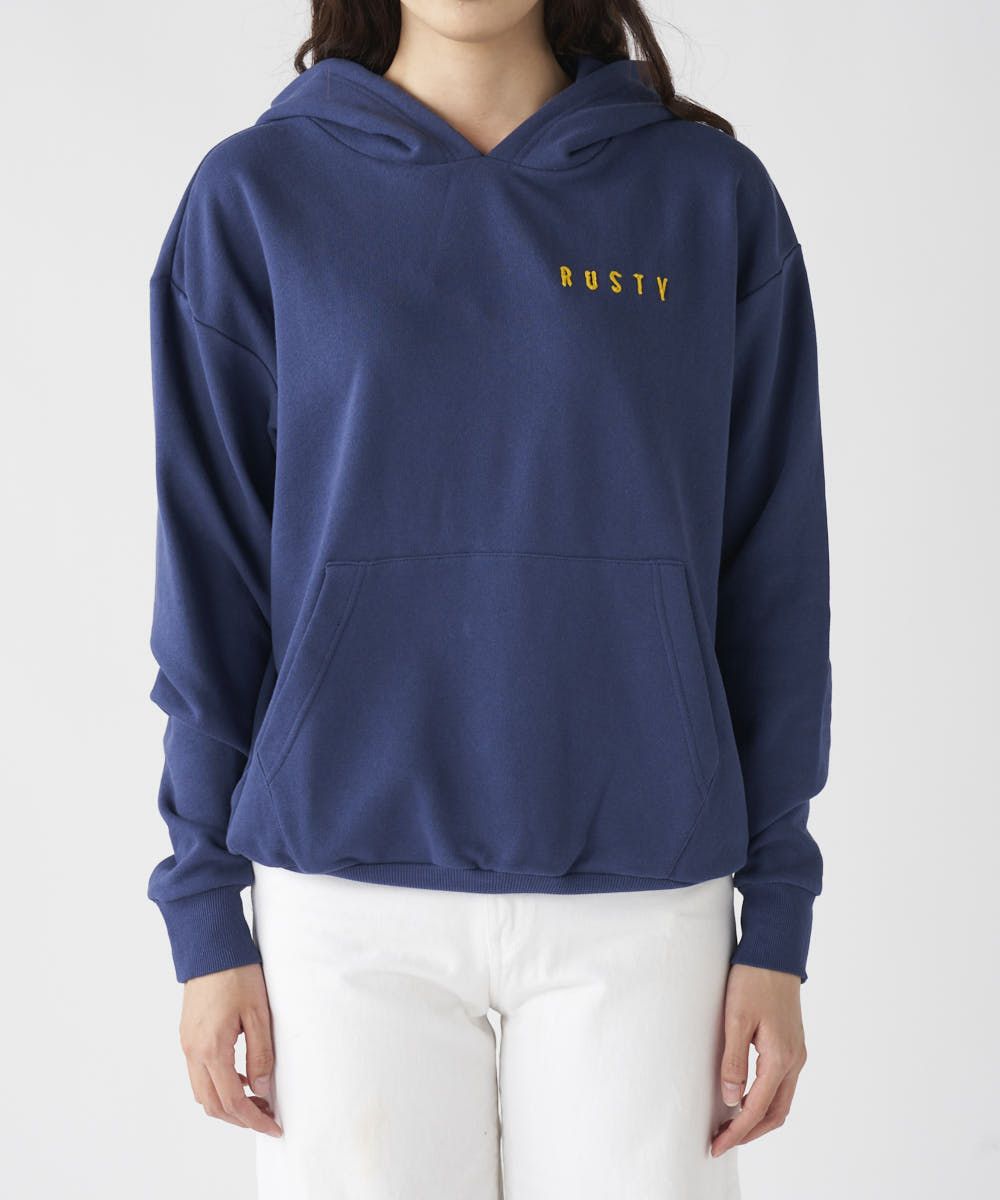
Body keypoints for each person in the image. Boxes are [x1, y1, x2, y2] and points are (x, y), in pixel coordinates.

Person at [145, 1, 832, 1195]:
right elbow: (209, 583)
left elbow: (773, 583)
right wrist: (204, 912)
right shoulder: (255, 198)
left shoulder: (707, 199)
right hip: (341, 904)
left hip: (645, 901)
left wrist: (776, 917)